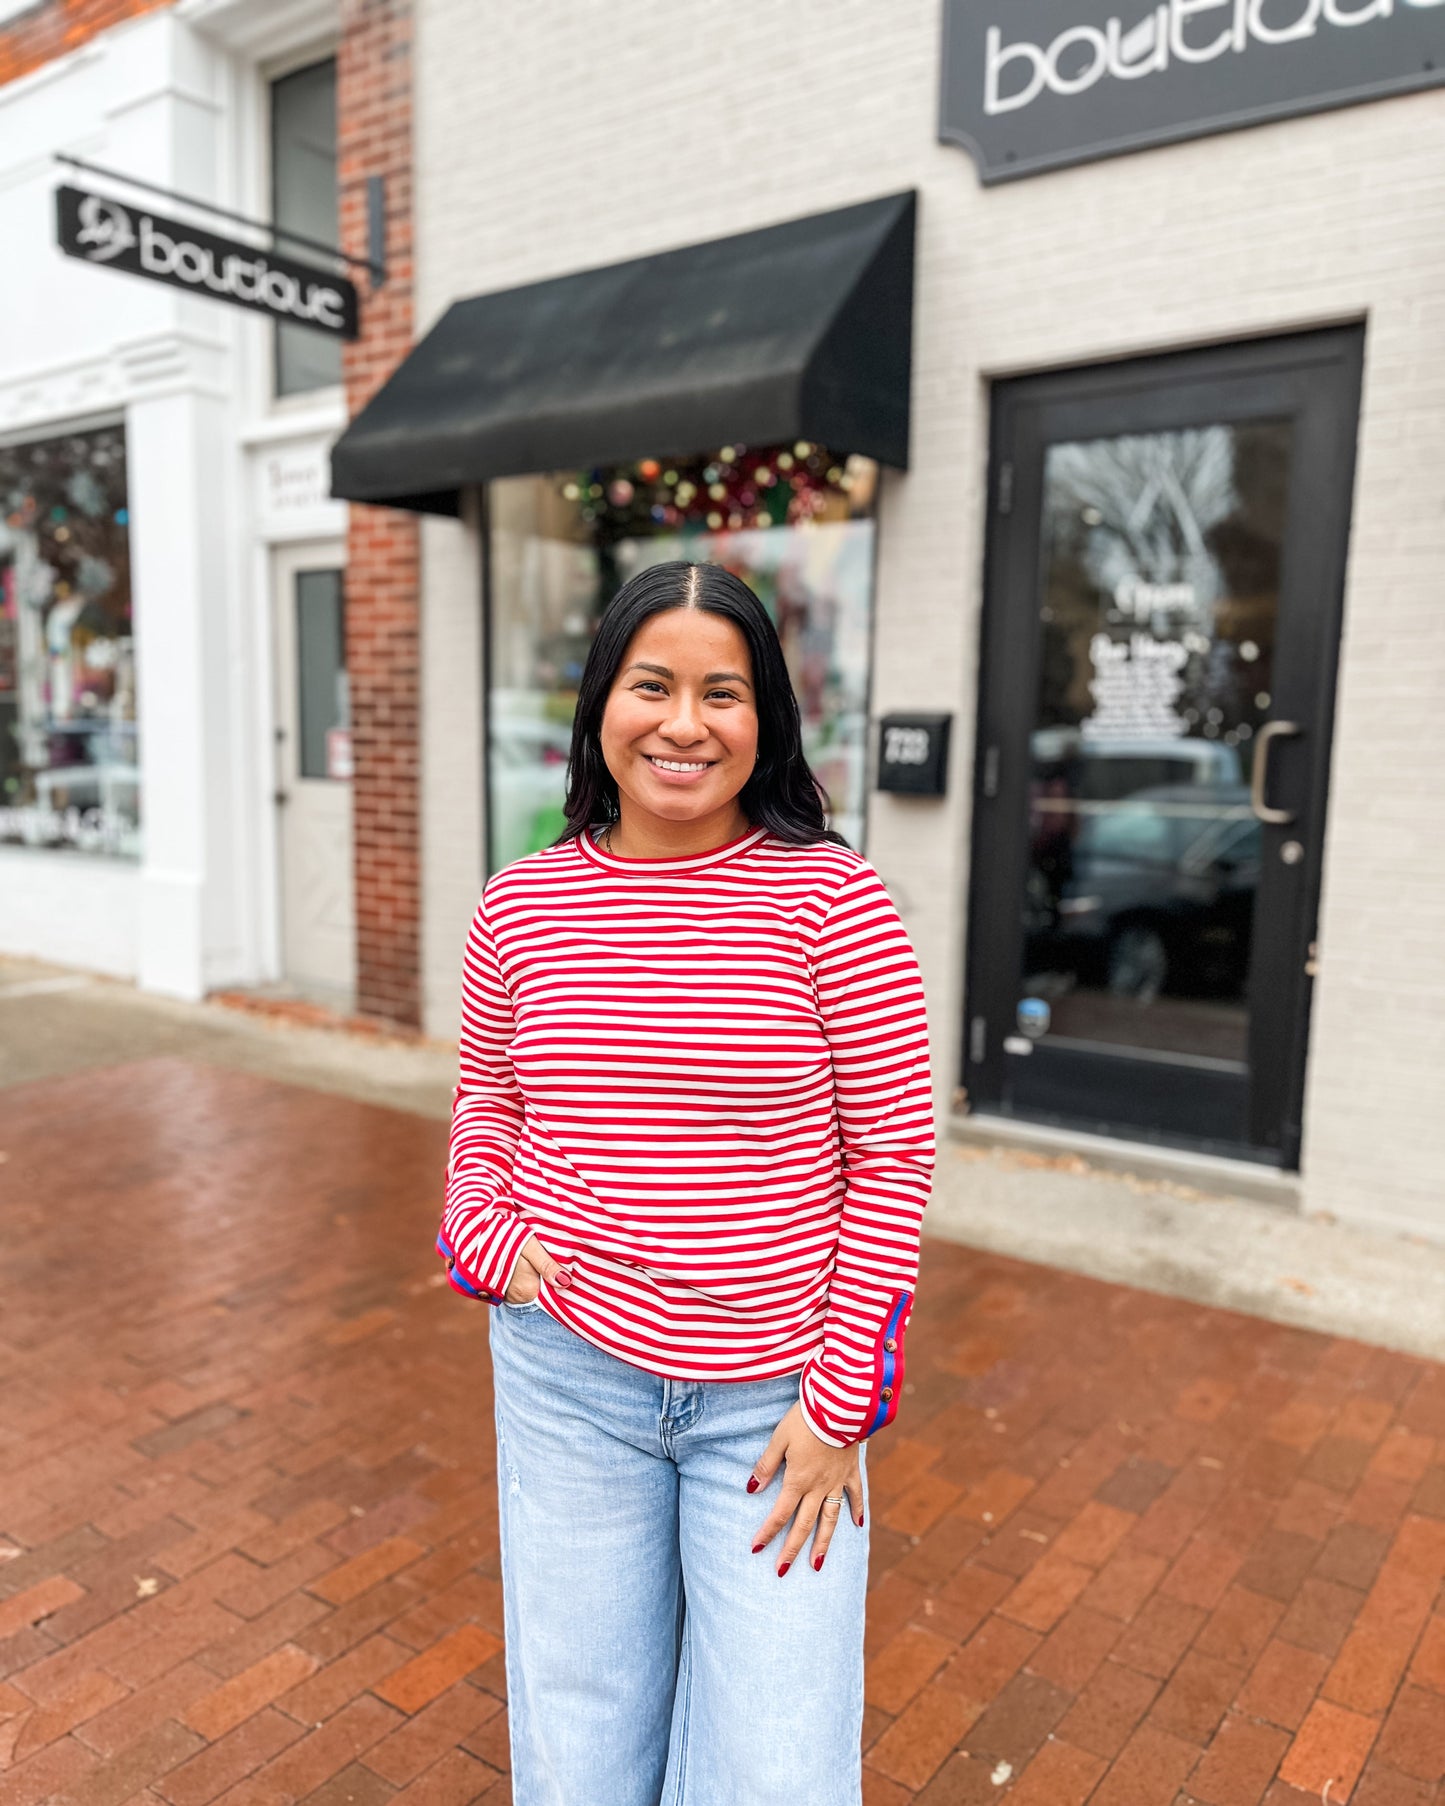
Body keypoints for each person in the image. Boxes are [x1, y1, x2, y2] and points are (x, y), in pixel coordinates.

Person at [437, 559, 934, 1806]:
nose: (682, 722)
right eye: (650, 683)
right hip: (567, 1381)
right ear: (601, 702)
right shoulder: (521, 905)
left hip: (772, 1412)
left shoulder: (831, 900)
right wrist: (477, 1223)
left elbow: (889, 1159)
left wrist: (838, 1409)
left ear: (763, 719)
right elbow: (488, 1101)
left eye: (723, 692)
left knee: (777, 1765)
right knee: (579, 1735)